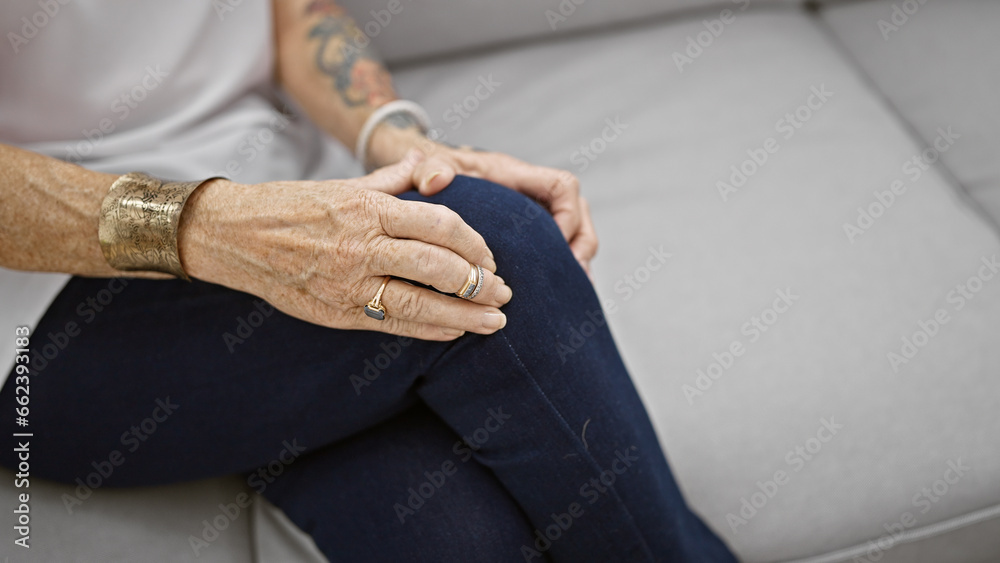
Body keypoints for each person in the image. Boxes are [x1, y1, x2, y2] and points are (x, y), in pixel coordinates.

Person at [0, 1, 735, 560]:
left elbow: (291, 16)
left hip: (282, 189)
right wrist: (224, 230)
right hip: (45, 309)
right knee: (496, 244)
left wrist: (407, 144)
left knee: (458, 535)